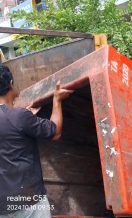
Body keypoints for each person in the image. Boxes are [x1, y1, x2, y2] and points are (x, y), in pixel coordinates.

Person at [0, 65, 73, 217]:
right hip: (28, 203)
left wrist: (26, 118)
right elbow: (55, 131)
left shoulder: (19, 117)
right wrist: (57, 100)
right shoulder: (19, 117)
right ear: (11, 84)